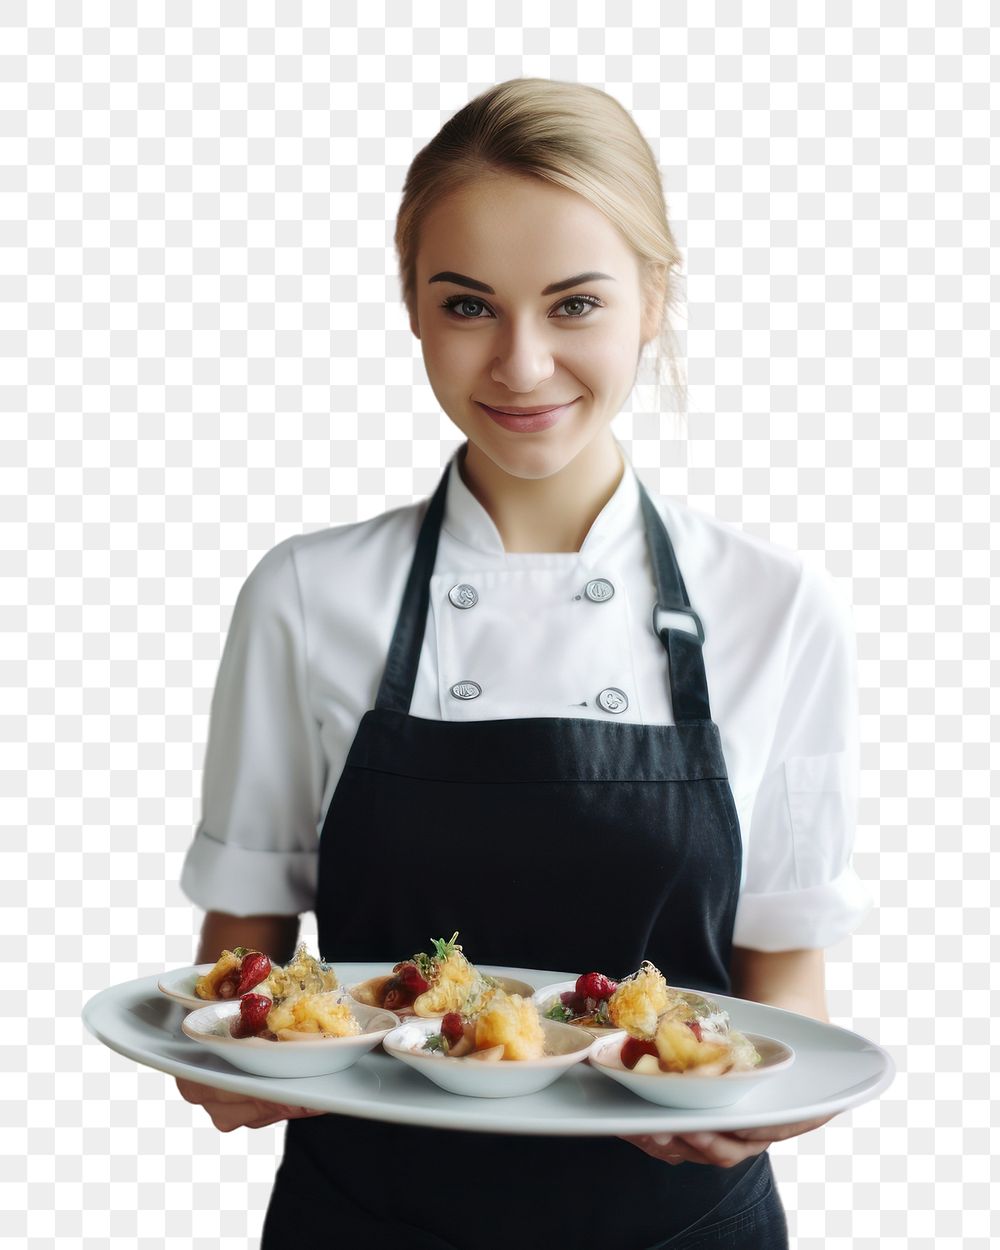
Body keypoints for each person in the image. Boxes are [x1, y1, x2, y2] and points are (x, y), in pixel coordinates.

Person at [175, 78, 871, 1249]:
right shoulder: (305, 594)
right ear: (410, 306)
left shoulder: (775, 606)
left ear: (653, 299)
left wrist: (757, 1108)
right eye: (468, 305)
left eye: (575, 303)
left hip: (682, 1222)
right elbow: (238, 957)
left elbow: (786, 985)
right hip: (366, 1220)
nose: (521, 362)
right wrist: (225, 1067)